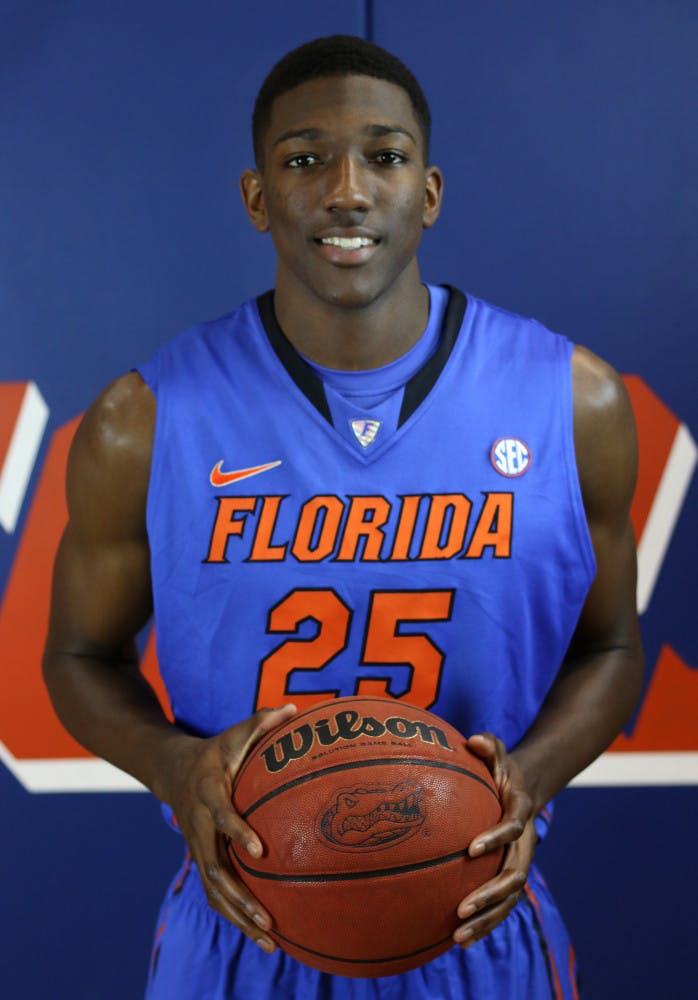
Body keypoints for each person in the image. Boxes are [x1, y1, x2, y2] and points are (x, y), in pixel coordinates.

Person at [43, 34, 643, 1000]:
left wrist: (524, 780)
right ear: (257, 197)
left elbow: (611, 650)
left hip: (475, 921)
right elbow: (77, 660)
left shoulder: (573, 403)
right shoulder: (144, 420)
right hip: (244, 927)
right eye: (305, 159)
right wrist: (175, 765)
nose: (348, 190)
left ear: (431, 191)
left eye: (387, 156)